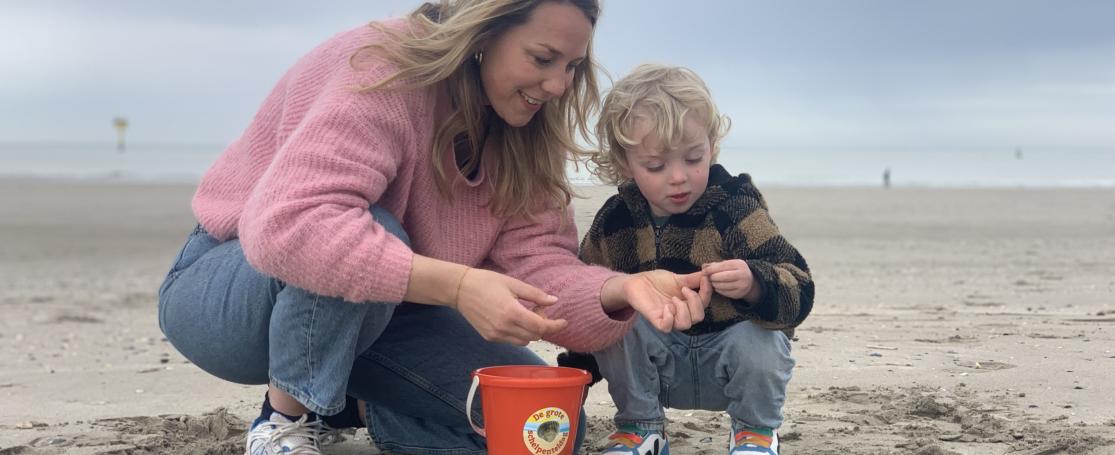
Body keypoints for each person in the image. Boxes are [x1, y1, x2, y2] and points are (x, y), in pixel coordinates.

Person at [156, 2, 712, 454]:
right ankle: (283, 421)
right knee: (367, 227)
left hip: (385, 312)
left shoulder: (525, 133)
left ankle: (363, 404)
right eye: (543, 58)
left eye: (571, 66)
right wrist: (460, 287)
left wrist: (623, 290)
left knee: (543, 429)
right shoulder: (381, 65)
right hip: (231, 291)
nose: (559, 85)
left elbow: (539, 265)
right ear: (483, 30)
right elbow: (293, 225)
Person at [556, 64, 815, 455]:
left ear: (711, 144)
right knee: (616, 310)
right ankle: (642, 430)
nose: (678, 177)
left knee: (760, 335)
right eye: (656, 166)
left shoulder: (734, 207)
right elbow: (587, 303)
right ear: (625, 163)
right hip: (657, 369)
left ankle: (754, 434)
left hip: (728, 362)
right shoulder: (616, 222)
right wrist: (575, 374)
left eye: (694, 158)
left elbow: (800, 286)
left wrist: (755, 282)